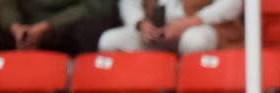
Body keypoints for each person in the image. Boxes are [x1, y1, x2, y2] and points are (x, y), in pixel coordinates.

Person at [98, 0, 243, 53]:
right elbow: (129, 4)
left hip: (201, 26)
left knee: (194, 40)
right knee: (110, 41)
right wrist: (140, 23)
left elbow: (231, 4)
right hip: (158, 33)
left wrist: (189, 23)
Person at [0, 0, 117, 54]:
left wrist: (47, 27)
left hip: (68, 25)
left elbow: (96, 7)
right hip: (26, 26)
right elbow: (6, 4)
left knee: (90, 28)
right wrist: (16, 28)